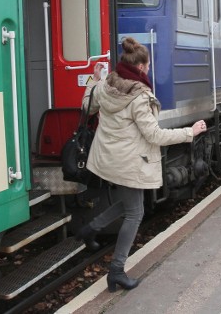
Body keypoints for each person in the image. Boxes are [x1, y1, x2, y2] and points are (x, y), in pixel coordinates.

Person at [75, 37, 207, 293]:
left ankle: (90, 229)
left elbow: (86, 108)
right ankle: (116, 272)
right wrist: (190, 132)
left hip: (108, 159)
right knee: (135, 213)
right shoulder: (140, 97)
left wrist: (93, 80)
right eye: (147, 67)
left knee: (127, 204)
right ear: (142, 67)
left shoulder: (104, 85)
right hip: (129, 162)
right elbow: (155, 136)